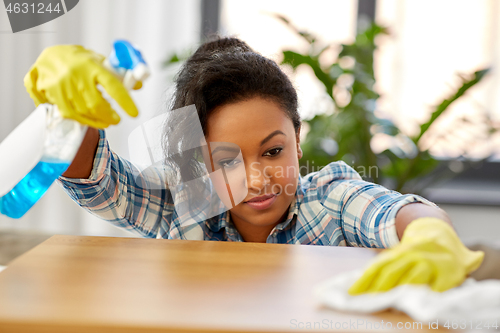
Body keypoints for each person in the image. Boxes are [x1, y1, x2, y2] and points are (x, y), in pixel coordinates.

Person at [23, 37, 484, 294]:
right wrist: (65, 115)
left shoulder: (330, 198)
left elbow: (392, 211)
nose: (258, 177)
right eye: (225, 160)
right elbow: (99, 179)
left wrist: (430, 233)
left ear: (298, 143)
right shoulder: (183, 204)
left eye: (273, 151)